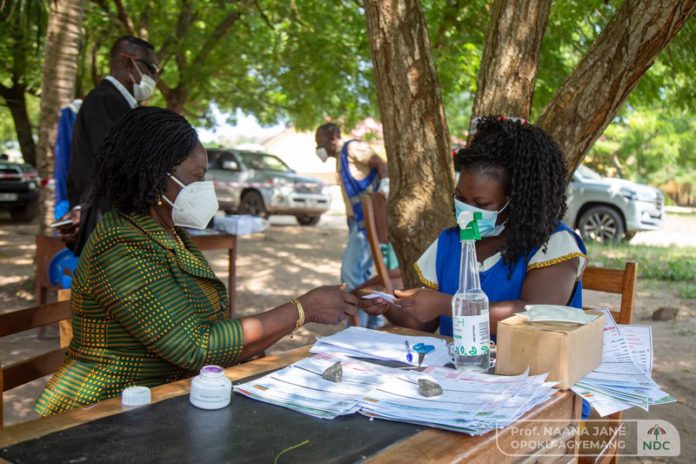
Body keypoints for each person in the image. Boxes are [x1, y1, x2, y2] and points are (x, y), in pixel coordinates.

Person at [36, 108, 358, 416]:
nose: (205, 189)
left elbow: (204, 326)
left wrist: (253, 346)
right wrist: (304, 309)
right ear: (156, 176)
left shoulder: (167, 233)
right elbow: (195, 346)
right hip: (106, 411)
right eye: (197, 176)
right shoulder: (121, 247)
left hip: (166, 398)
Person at [361, 116, 587, 337]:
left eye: (481, 203)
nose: (467, 210)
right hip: (463, 370)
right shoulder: (449, 243)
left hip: (532, 369)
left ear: (517, 199)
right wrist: (387, 303)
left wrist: (449, 305)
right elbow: (423, 322)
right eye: (460, 198)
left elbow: (534, 315)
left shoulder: (553, 244)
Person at [61, 35, 159, 254]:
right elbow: (118, 166)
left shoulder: (121, 104)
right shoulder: (105, 100)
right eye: (151, 69)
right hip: (107, 225)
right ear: (127, 62)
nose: (154, 78)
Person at [314, 123, 389, 328]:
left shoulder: (353, 148)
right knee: (364, 277)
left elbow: (381, 165)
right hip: (357, 223)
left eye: (319, 143)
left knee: (350, 273)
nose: (318, 148)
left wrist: (384, 188)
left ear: (333, 139)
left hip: (368, 222)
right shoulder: (340, 159)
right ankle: (374, 324)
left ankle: (357, 327)